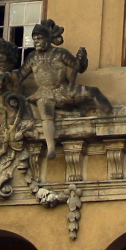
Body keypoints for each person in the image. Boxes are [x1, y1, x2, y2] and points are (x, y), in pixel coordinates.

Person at [16, 19, 112, 158]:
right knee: (46, 116)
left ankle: (110, 116)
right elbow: (20, 76)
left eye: (39, 38)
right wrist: (8, 78)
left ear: (48, 39)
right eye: (34, 39)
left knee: (94, 92)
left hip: (64, 89)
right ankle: (51, 147)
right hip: (43, 92)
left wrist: (82, 59)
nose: (36, 41)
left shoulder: (60, 53)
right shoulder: (32, 57)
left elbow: (78, 67)